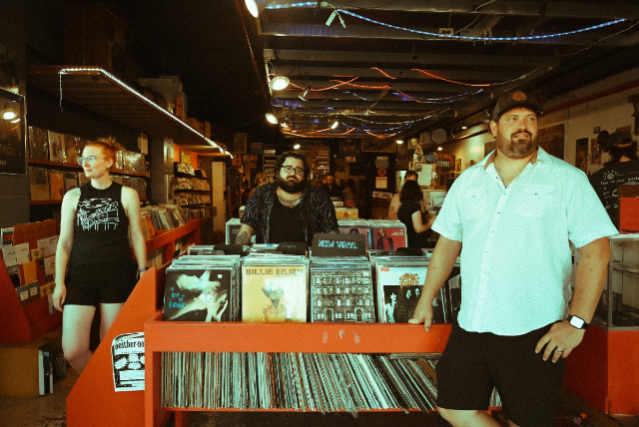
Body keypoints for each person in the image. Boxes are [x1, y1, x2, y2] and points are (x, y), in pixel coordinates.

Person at [409, 91, 617, 427]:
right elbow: (448, 243)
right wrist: (426, 297)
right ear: (494, 128)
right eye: (513, 118)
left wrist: (577, 324)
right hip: (473, 322)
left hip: (533, 329)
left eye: (530, 119)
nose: (523, 126)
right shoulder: (468, 181)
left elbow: (597, 251)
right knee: (454, 408)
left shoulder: (567, 180)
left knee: (528, 420)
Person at [53, 137, 147, 373]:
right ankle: (100, 383)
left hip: (117, 274)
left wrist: (144, 270)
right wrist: (59, 282)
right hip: (80, 275)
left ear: (109, 162)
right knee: (73, 350)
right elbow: (64, 242)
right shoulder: (73, 196)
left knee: (112, 344)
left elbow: (137, 235)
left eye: (92, 158)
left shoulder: (127, 195)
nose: (85, 163)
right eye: (82, 159)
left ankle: (107, 392)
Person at [237, 152, 339, 245]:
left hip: (307, 256)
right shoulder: (261, 194)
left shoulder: (318, 196)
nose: (293, 173)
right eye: (288, 168)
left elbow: (331, 231)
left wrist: (334, 254)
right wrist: (238, 253)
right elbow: (246, 229)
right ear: (278, 171)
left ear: (305, 174)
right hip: (269, 257)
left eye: (298, 170)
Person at [589, 131, 639, 228]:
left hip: (611, 234)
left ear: (610, 152)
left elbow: (591, 214)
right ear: (633, 148)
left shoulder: (597, 177)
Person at [397, 180, 436, 248]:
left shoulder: (402, 206)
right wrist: (430, 223)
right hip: (416, 244)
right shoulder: (414, 206)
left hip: (406, 243)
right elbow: (418, 228)